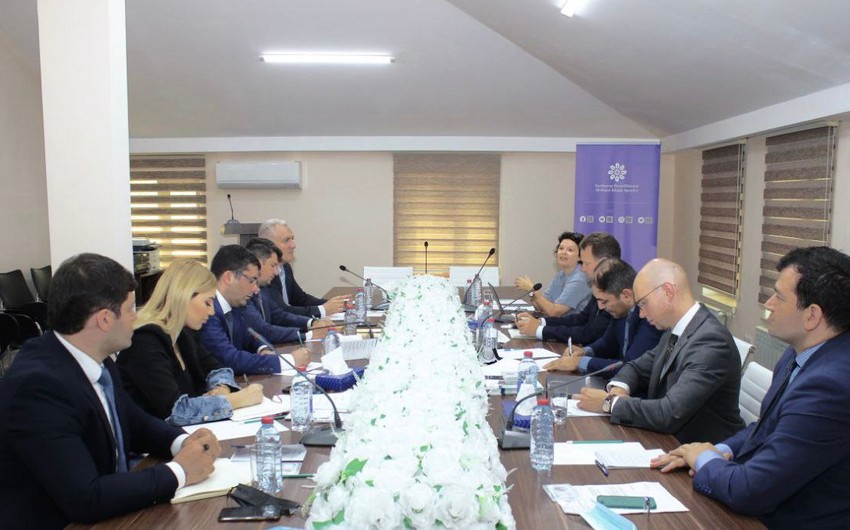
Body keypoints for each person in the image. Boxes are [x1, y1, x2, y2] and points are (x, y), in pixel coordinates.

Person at [0, 253, 220, 528]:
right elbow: (86, 498)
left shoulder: (97, 359)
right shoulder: (37, 387)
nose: (136, 318)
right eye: (130, 310)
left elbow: (134, 422)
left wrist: (183, 442)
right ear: (104, 319)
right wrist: (180, 471)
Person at [651, 247, 850, 528]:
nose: (768, 303)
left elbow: (749, 491)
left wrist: (704, 459)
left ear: (812, 316)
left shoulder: (830, 386)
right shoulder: (799, 354)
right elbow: (767, 427)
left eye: (779, 296)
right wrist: (718, 450)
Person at [574, 258, 745, 443]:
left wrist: (609, 403)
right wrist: (618, 389)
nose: (641, 314)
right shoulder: (675, 329)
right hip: (668, 440)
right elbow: (636, 367)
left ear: (667, 292)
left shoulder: (710, 342)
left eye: (643, 303)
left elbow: (669, 413)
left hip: (701, 450)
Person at [118, 260, 265, 426]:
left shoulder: (182, 335)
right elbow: (177, 410)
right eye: (207, 302)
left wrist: (221, 388)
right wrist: (238, 399)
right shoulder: (144, 342)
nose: (211, 312)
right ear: (183, 297)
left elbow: (218, 368)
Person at [544, 259, 662, 382]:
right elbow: (607, 343)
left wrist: (580, 362)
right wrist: (585, 351)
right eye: (598, 300)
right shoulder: (620, 310)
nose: (601, 307)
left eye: (604, 301)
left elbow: (631, 367)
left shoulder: (649, 317)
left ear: (626, 295)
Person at [199, 245, 310, 375]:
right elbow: (230, 360)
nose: (255, 289)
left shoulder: (234, 305)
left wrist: (262, 348)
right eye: (251, 281)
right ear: (228, 277)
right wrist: (288, 361)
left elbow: (251, 335)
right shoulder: (207, 312)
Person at [516, 232, 619, 345]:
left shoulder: (612, 291)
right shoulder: (599, 285)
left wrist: (539, 330)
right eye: (561, 248)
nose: (583, 269)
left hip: (586, 343)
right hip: (580, 342)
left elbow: (588, 334)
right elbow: (580, 319)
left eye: (586, 263)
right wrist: (540, 322)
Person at [243, 237, 333, 342]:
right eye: (273, 265)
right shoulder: (244, 295)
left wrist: (312, 322)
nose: (276, 272)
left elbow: (279, 316)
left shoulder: (262, 290)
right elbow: (264, 330)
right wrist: (308, 335)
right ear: (258, 264)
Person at [258, 218, 347, 318]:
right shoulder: (264, 273)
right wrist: (323, 310)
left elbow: (300, 299)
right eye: (286, 240)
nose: (293, 245)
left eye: (292, 239)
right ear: (268, 245)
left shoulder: (285, 267)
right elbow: (281, 311)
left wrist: (337, 305)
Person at [515, 231, 590, 318]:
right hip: (558, 323)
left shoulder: (580, 279)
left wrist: (532, 290)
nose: (563, 252)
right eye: (561, 248)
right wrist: (531, 292)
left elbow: (554, 312)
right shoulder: (560, 275)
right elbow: (541, 307)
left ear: (580, 256)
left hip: (573, 325)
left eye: (570, 250)